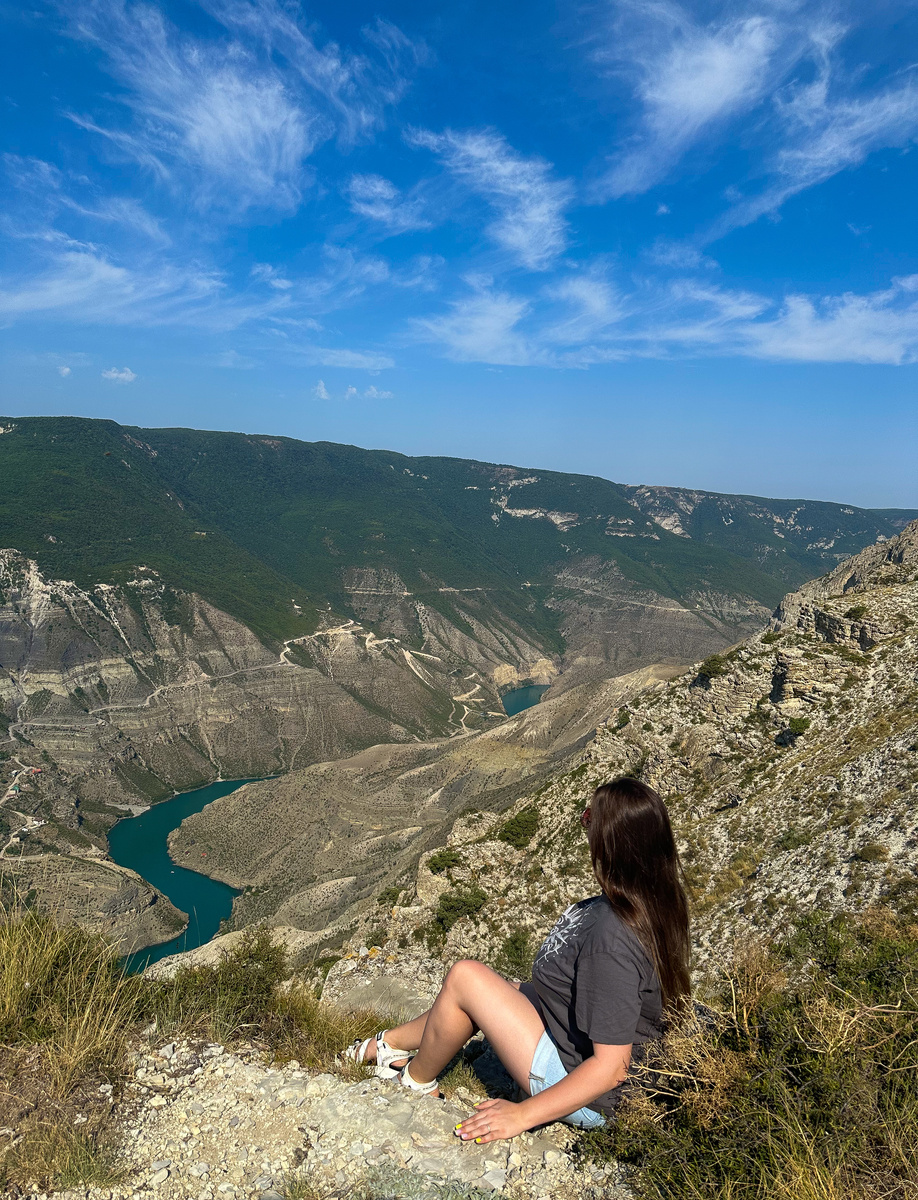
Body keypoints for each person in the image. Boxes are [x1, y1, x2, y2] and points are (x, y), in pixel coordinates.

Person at [345, 777, 691, 1143]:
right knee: (493, 988)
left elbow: (612, 1068)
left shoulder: (613, 938)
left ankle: (414, 1082)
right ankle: (387, 1044)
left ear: (609, 839)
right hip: (570, 1044)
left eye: (588, 818)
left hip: (594, 1097)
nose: (583, 825)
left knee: (466, 977)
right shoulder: (637, 902)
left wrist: (521, 1115)